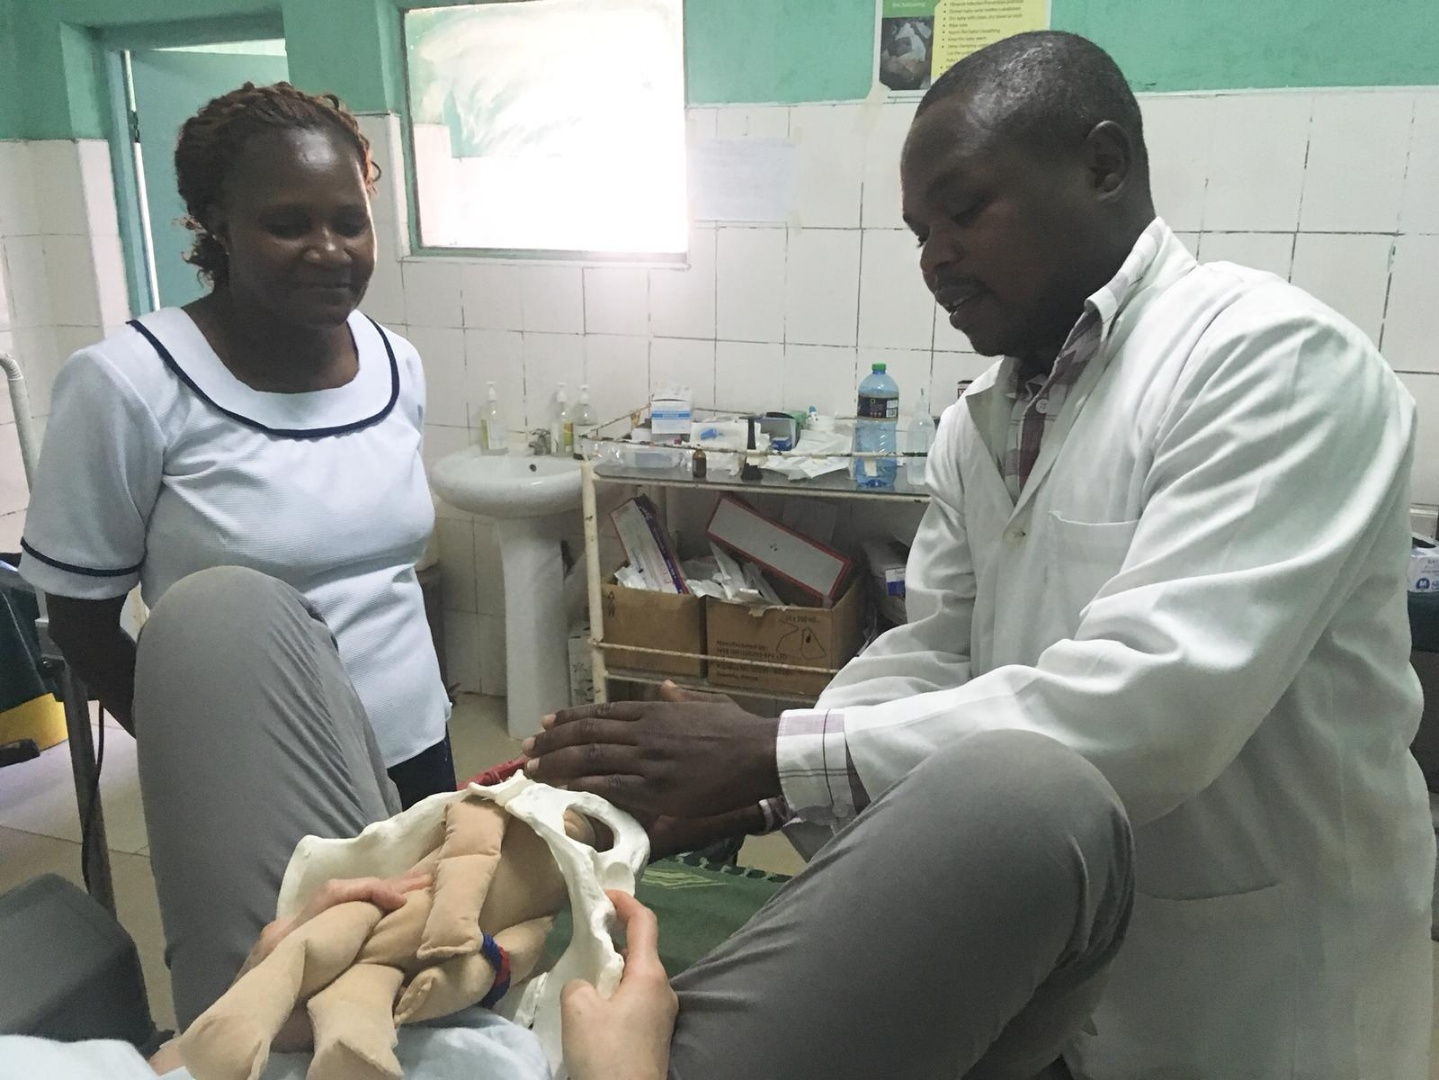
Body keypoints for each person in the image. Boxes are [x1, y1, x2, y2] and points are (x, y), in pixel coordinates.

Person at [523, 30, 1435, 1080]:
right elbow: (936, 653)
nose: (934, 258)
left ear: (1101, 167)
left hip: (1255, 973)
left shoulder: (1267, 365)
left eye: (964, 211)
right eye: (918, 231)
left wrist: (774, 750)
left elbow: (1153, 709)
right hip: (1060, 951)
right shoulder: (981, 422)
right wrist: (763, 784)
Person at [1, 564, 1134, 1080]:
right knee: (1035, 807)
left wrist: (263, 1006)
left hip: (284, 1047)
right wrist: (776, 761)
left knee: (218, 615)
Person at [17, 83, 454, 807]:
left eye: (351, 222)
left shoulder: (393, 364)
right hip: (253, 774)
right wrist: (192, 749)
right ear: (216, 222)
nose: (329, 250)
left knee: (441, 924)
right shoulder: (130, 382)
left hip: (416, 745)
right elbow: (79, 618)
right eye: (287, 224)